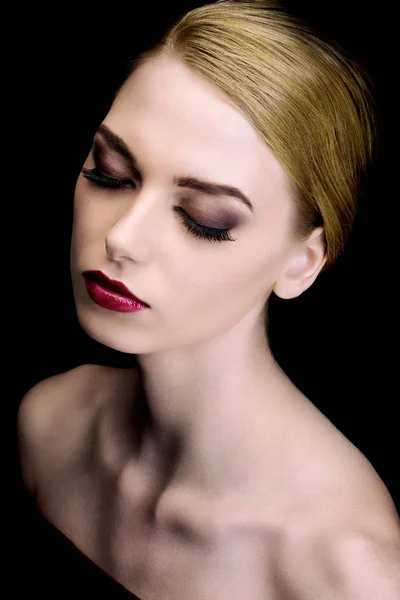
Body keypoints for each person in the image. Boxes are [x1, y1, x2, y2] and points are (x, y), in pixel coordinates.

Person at [17, 1, 400, 598]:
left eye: (204, 220)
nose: (122, 238)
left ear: (302, 261)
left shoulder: (346, 569)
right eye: (109, 173)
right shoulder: (48, 429)